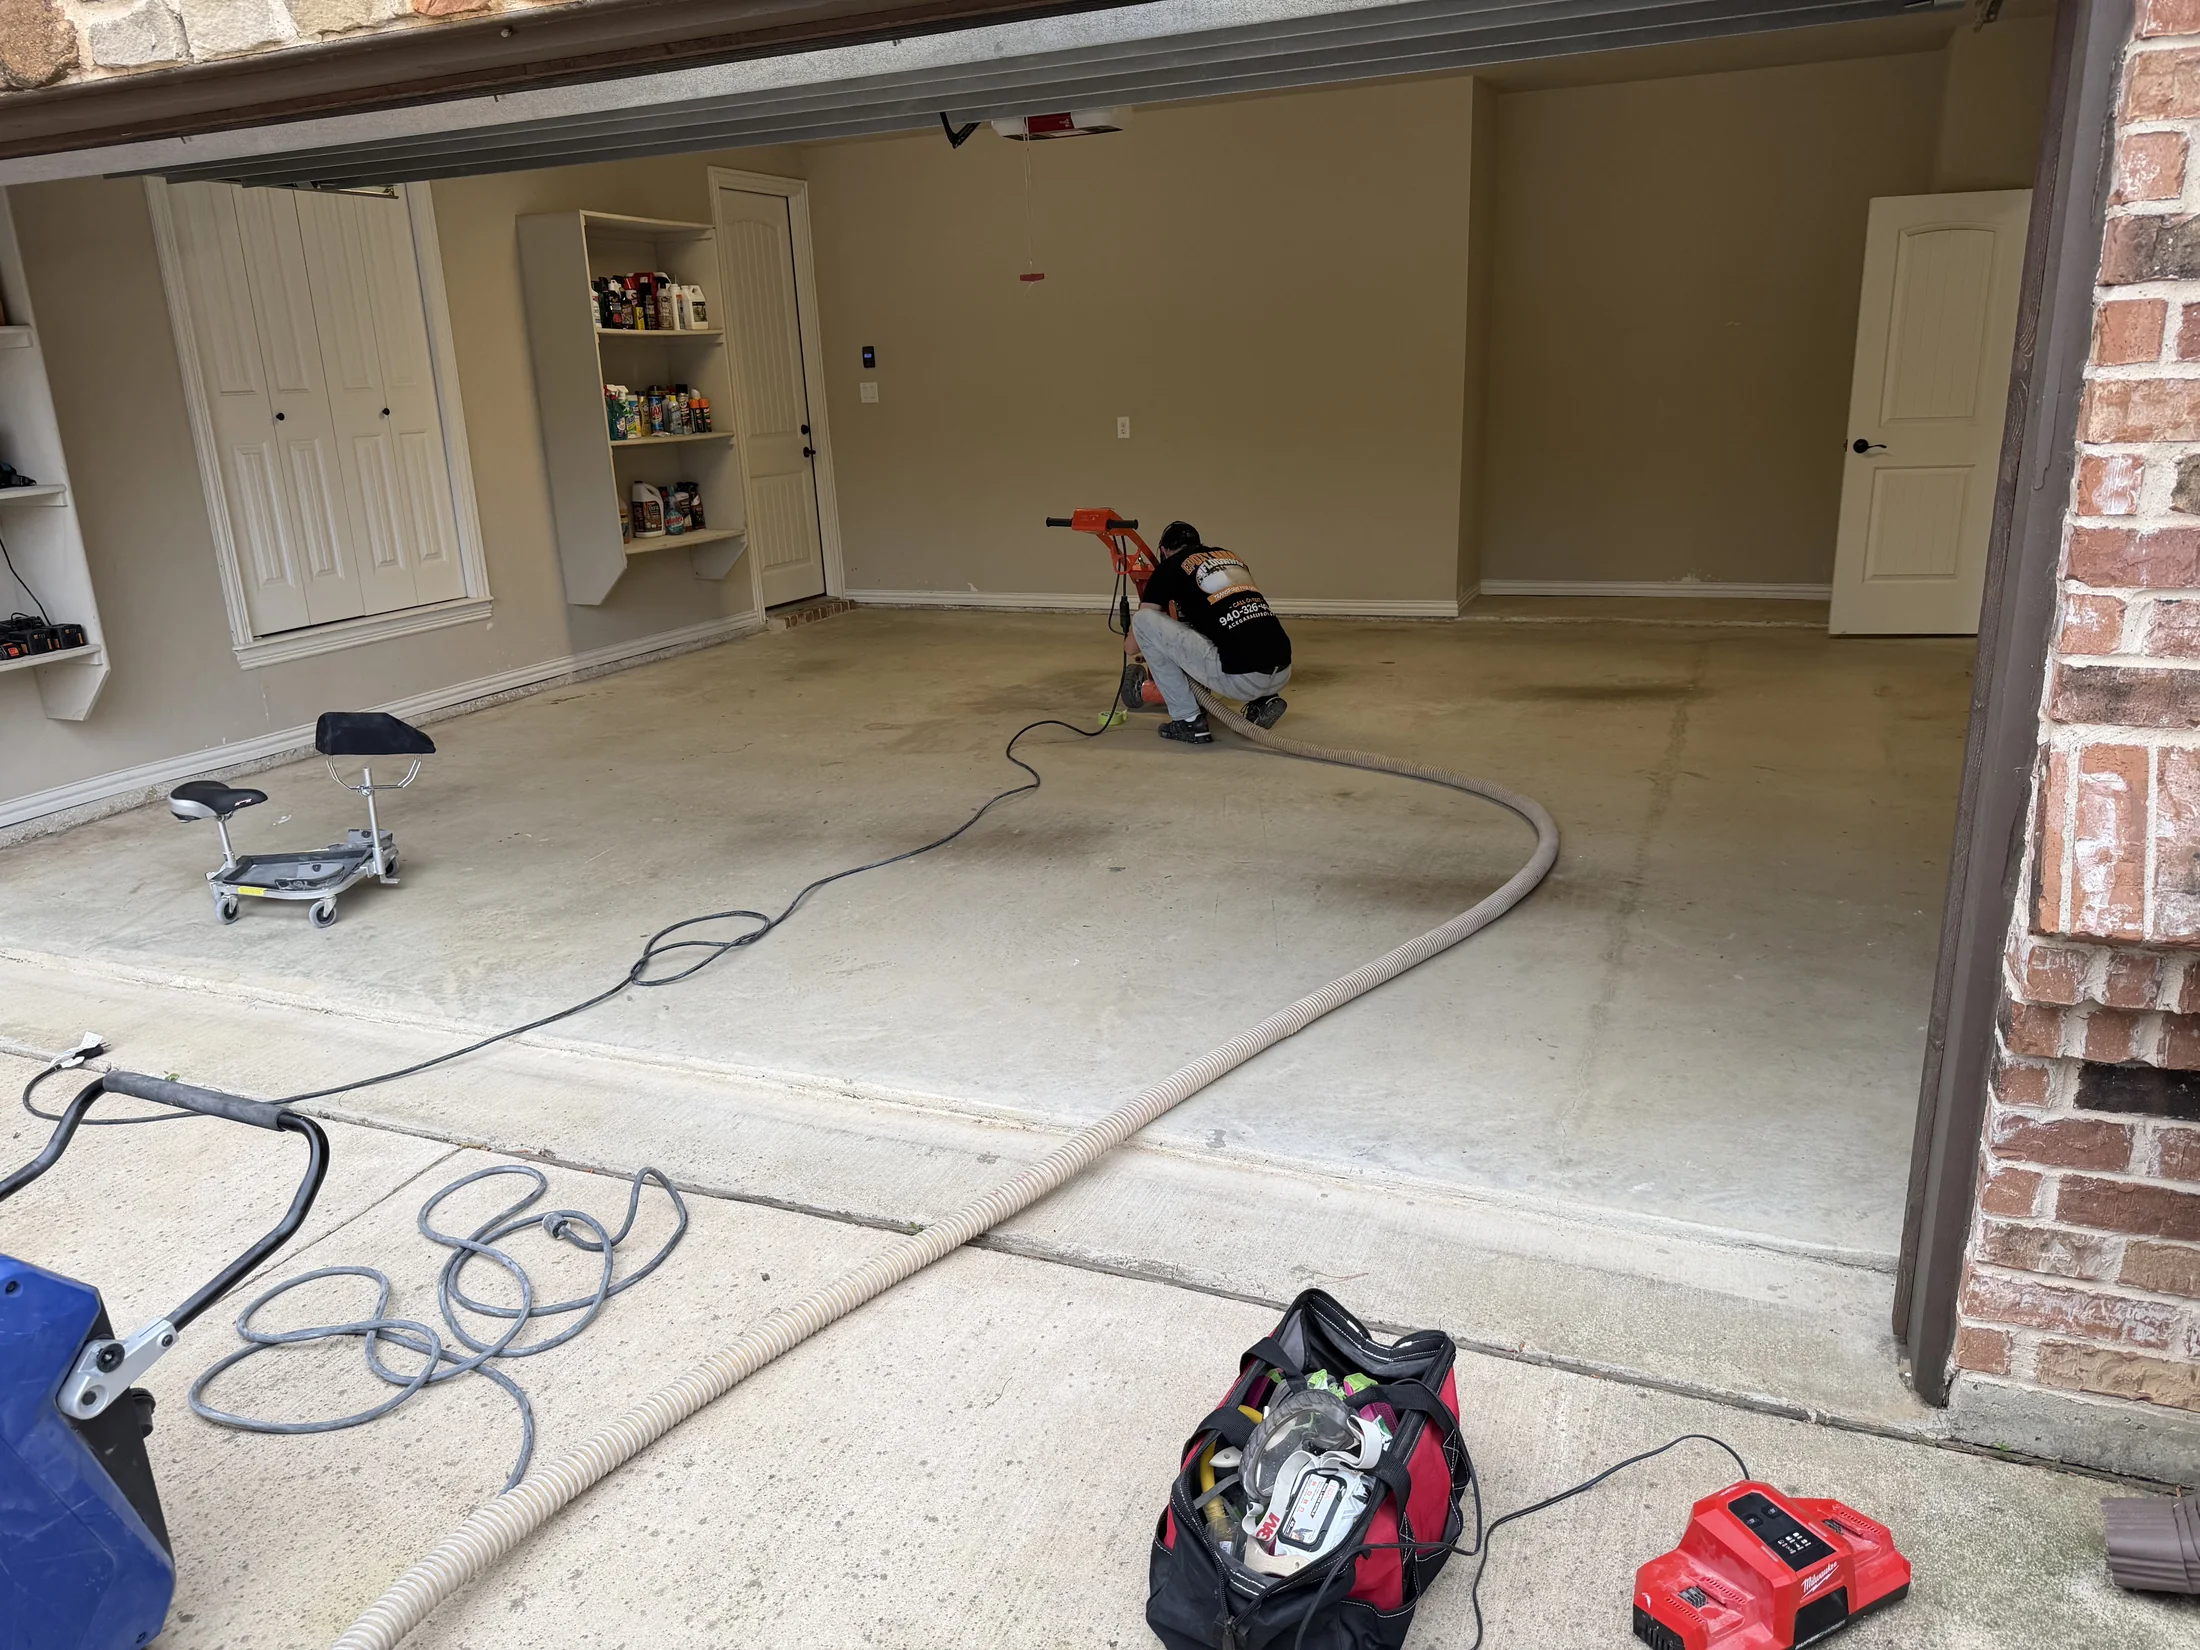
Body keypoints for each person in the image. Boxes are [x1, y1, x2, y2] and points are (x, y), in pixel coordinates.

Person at [1127, 521, 1292, 745]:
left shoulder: (1170, 566)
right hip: (1282, 669)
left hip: (1241, 680)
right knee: (1231, 624)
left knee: (1144, 620)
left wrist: (1134, 633)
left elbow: (1133, 646)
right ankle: (1263, 700)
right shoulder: (1231, 558)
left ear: (1164, 551)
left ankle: (1187, 721)